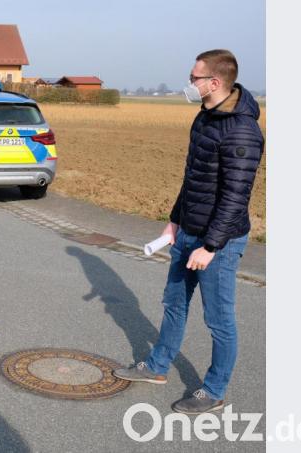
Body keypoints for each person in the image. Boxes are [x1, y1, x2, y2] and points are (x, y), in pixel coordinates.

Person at [113, 49, 264, 414]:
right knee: (174, 303)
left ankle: (214, 390)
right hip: (188, 232)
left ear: (214, 82)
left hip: (219, 242)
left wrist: (210, 247)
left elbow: (235, 196)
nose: (189, 82)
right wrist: (174, 221)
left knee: (219, 320)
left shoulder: (243, 131)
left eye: (194, 78)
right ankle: (157, 366)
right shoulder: (204, 117)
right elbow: (193, 178)